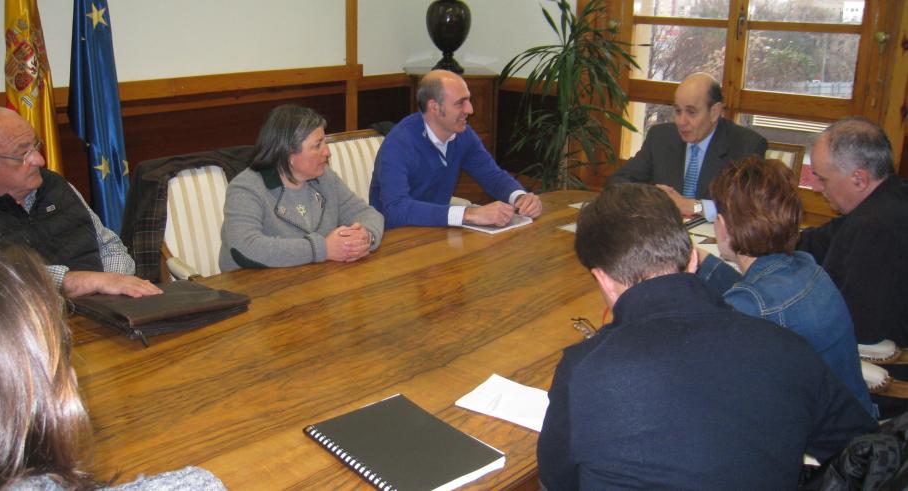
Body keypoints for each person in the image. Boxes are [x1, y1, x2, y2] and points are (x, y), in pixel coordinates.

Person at [537, 183, 876, 489]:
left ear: (603, 280)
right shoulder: (787, 348)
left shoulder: (583, 368)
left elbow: (558, 480)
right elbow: (863, 450)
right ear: (694, 261)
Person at [0, 246, 225, 490]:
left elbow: (113, 247)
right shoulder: (196, 485)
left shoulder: (60, 190)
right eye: (60, 357)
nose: (38, 162)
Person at [695, 156, 873, 416]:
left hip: (824, 450)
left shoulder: (752, 308)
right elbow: (757, 294)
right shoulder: (806, 266)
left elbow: (705, 377)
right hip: (854, 426)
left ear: (721, 227)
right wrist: (700, 260)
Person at [0, 106, 160, 299]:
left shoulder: (55, 186)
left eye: (35, 146)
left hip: (106, 317)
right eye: (22, 153)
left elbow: (109, 245)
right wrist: (79, 282)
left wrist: (114, 286)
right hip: (27, 340)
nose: (39, 159)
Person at [368, 69, 541, 229]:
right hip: (395, 240)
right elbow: (395, 210)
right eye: (460, 103)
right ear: (434, 107)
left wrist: (520, 198)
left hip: (437, 233)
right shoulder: (399, 143)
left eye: (469, 100)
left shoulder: (462, 134)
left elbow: (492, 176)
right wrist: (469, 214)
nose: (470, 110)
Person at [219, 105, 384, 270]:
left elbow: (367, 213)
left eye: (324, 142)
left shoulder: (325, 177)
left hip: (315, 281)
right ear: (289, 152)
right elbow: (244, 248)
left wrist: (366, 236)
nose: (327, 152)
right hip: (256, 289)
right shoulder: (246, 188)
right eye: (317, 145)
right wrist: (323, 249)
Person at [797, 118, 908, 346]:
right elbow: (812, 242)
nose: (816, 188)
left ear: (859, 179)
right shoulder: (886, 196)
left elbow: (860, 326)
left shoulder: (876, 226)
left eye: (822, 179)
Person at [606, 73, 767, 220]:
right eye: (677, 111)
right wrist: (654, 197)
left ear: (715, 112)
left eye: (691, 112)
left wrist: (695, 206)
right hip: (664, 236)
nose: (681, 121)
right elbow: (617, 182)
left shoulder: (746, 145)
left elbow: (748, 207)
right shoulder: (660, 137)